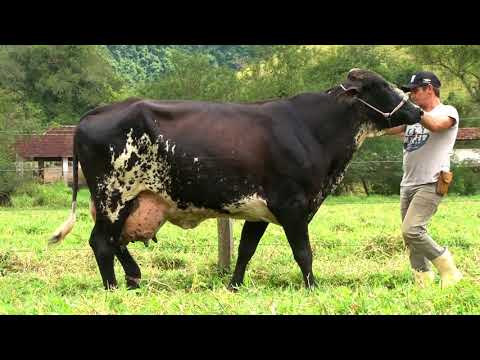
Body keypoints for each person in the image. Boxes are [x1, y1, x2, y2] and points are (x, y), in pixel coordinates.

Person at [385, 71, 463, 288]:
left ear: (429, 89)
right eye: (409, 91)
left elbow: (437, 126)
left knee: (412, 230)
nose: (411, 95)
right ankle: (423, 280)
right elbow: (388, 129)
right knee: (410, 237)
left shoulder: (447, 112)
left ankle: (448, 269)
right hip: (407, 183)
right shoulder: (413, 116)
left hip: (431, 181)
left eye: (414, 90)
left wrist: (413, 111)